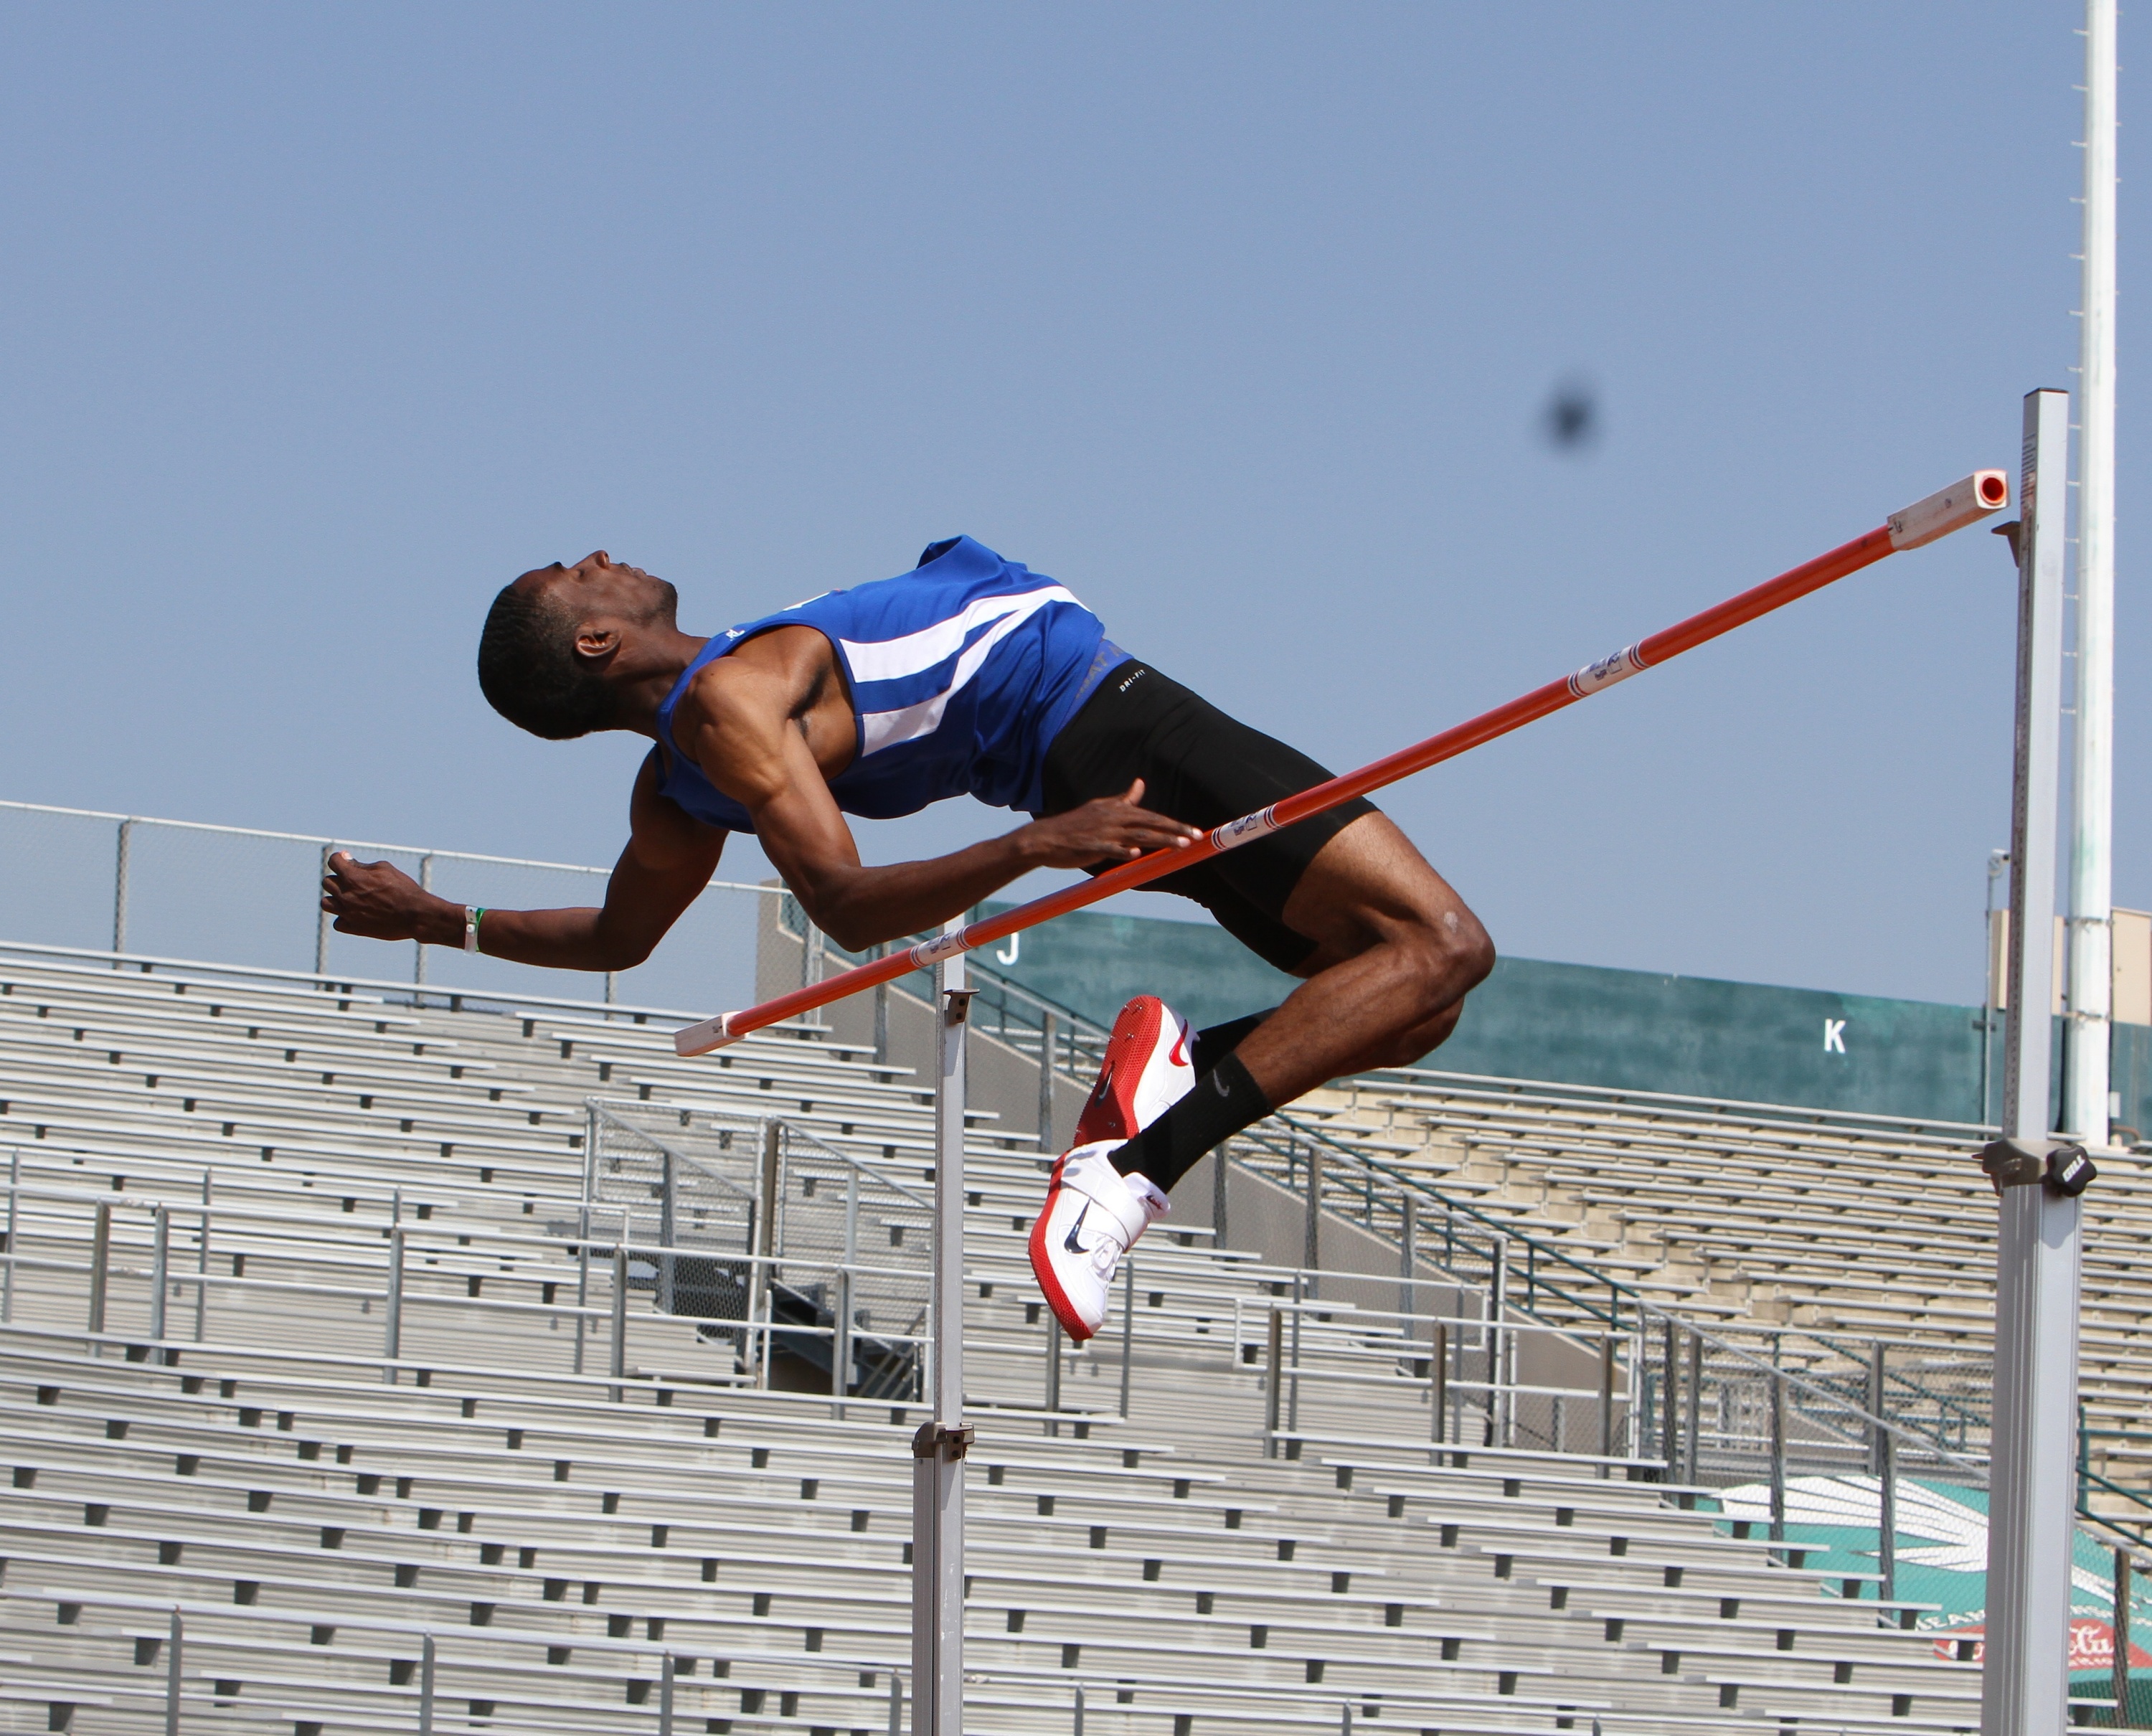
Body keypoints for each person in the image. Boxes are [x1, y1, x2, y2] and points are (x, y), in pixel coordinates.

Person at [322, 537, 1493, 1342]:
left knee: (1403, 1001)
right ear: (592, 645)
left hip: (1084, 751)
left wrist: (437, 918)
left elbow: (618, 937)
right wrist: (1036, 850)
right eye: (574, 574)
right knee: (1443, 945)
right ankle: (1138, 1163)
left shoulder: (679, 781)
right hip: (1113, 724)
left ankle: (1166, 1085)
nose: (599, 555)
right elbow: (840, 900)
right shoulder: (727, 711)